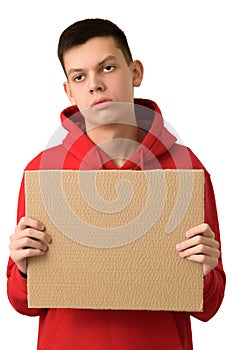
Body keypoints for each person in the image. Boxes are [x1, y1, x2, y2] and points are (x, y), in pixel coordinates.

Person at [7, 18, 225, 350]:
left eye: (107, 68)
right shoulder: (42, 171)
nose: (94, 84)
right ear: (69, 90)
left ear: (135, 72)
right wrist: (23, 271)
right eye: (79, 76)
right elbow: (23, 303)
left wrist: (205, 272)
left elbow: (210, 306)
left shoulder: (186, 168)